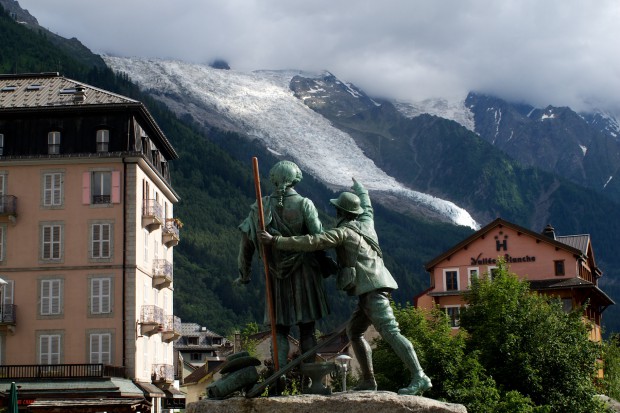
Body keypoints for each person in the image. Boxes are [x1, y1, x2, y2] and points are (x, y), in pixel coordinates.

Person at [258, 178, 432, 395]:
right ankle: (368, 380)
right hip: (373, 288)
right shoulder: (367, 222)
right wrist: (359, 187)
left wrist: (276, 241)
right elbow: (367, 204)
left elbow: (313, 241)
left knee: (391, 332)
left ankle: (420, 376)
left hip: (372, 289)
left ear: (340, 213)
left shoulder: (343, 233)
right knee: (354, 331)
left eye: (337, 210)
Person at [235, 160, 331, 370]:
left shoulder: (260, 207)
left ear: (274, 179)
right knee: (307, 328)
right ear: (295, 179)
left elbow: (246, 244)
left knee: (278, 331)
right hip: (305, 274)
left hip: (274, 276)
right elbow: (319, 239)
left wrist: (244, 274)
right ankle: (309, 380)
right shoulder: (305, 204)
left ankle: (279, 378)